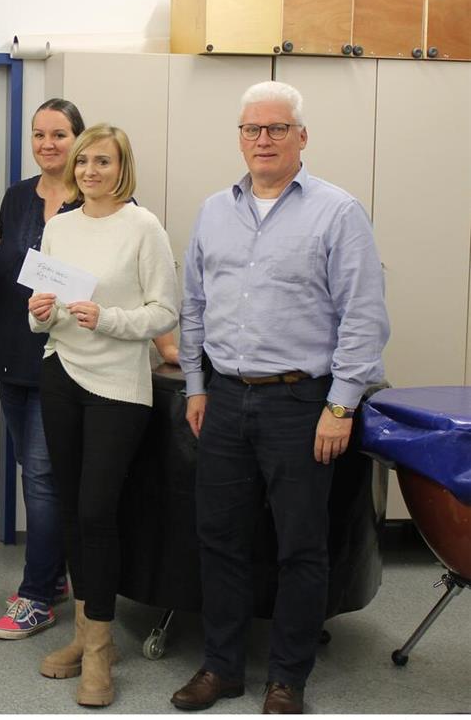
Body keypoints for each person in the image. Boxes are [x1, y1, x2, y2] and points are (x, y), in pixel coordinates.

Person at [170, 81, 389, 715]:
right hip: (226, 398)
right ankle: (222, 668)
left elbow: (364, 317)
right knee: (220, 539)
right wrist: (195, 384)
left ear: (301, 136)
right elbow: (195, 305)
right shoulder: (215, 210)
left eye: (275, 129)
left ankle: (287, 677)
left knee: (300, 544)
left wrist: (341, 405)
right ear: (239, 136)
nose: (262, 140)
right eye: (251, 130)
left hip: (302, 404)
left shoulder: (338, 212)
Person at [28, 123, 179, 707]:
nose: (91, 171)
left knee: (98, 512)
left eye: (104, 162)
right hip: (60, 371)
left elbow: (165, 310)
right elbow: (41, 313)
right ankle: (86, 636)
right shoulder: (58, 227)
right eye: (84, 161)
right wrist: (40, 312)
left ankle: (100, 650)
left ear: (123, 168)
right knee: (70, 510)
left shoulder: (143, 226)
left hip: (118, 382)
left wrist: (109, 319)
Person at [0, 98, 85, 639]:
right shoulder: (18, 197)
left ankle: (37, 595)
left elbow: (117, 277)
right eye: (39, 135)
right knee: (33, 470)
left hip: (64, 357)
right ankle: (56, 572)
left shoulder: (101, 198)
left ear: (78, 140)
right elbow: (1, 268)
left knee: (43, 478)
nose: (48, 144)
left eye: (60, 135)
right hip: (10, 352)